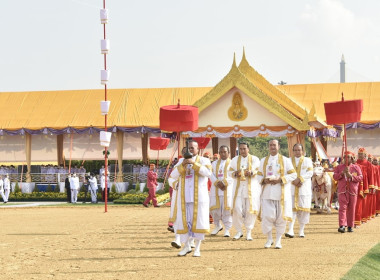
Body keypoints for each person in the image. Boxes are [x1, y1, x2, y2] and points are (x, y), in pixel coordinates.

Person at [168, 140, 212, 257]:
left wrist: (194, 164)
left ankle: (197, 248)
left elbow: (208, 173)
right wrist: (182, 166)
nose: (191, 150)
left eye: (193, 148)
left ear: (198, 149)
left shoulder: (204, 160)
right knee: (185, 223)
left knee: (198, 223)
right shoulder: (181, 161)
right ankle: (187, 246)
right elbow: (172, 177)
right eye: (189, 148)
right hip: (184, 198)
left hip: (199, 199)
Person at [257, 139, 297, 249]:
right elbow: (258, 175)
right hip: (267, 193)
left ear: (278, 146)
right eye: (270, 145)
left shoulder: (285, 160)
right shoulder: (263, 160)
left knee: (281, 218)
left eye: (274, 145)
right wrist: (264, 180)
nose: (272, 147)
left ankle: (278, 240)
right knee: (267, 216)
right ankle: (269, 239)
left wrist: (280, 179)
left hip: (281, 194)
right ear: (268, 147)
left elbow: (293, 175)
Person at [228, 142, 261, 241]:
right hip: (238, 189)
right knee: (237, 209)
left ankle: (249, 231)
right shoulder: (234, 160)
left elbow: (258, 171)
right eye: (241, 149)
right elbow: (229, 172)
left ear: (248, 149)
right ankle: (239, 231)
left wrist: (251, 172)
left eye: (244, 149)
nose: (242, 151)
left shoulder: (254, 159)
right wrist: (235, 173)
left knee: (249, 210)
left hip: (250, 189)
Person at [285, 144, 314, 238]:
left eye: (299, 150)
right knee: (291, 210)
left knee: (303, 211)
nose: (297, 152)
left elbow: (310, 172)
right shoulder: (288, 161)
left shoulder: (307, 160)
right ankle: (290, 230)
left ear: (302, 151)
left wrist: (300, 179)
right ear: (293, 151)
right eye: (295, 150)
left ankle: (301, 230)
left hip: (303, 189)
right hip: (291, 188)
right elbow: (285, 173)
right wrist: (294, 180)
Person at [333, 151, 363, 233]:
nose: (346, 159)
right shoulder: (339, 167)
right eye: (345, 157)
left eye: (348, 157)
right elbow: (334, 176)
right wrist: (342, 173)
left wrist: (351, 176)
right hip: (342, 191)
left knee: (351, 209)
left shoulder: (356, 167)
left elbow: (360, 177)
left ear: (352, 158)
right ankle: (342, 225)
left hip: (352, 191)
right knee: (342, 208)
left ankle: (350, 226)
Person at [210, 145, 233, 237]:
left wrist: (224, 183)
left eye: (225, 152)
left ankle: (227, 229)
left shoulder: (232, 163)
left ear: (228, 153)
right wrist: (217, 183)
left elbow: (232, 175)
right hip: (215, 189)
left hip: (227, 189)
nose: (223, 153)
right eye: (221, 152)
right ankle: (217, 225)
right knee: (214, 209)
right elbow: (210, 174)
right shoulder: (214, 163)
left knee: (226, 209)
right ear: (219, 153)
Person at [355, 148, 373, 227]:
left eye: (361, 154)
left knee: (364, 204)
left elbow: (371, 176)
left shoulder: (368, 164)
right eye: (359, 154)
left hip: (365, 186)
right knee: (356, 204)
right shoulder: (355, 163)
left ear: (365, 155)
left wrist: (370, 187)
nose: (360, 155)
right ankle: (356, 219)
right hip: (356, 185)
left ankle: (362, 218)